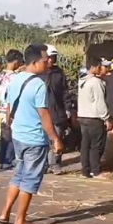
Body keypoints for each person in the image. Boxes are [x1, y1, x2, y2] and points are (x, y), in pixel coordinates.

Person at [0, 44, 63, 224]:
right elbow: (44, 114)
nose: (48, 63)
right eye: (45, 60)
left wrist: (12, 125)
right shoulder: (38, 84)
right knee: (30, 179)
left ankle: (5, 213)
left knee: (19, 174)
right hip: (34, 138)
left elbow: (9, 107)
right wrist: (55, 138)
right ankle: (20, 221)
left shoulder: (16, 79)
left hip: (18, 135)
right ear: (34, 62)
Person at [77, 58, 111, 178]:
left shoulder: (82, 80)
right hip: (94, 117)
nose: (100, 68)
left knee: (85, 145)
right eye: (99, 66)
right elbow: (99, 102)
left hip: (82, 115)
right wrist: (106, 118)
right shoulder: (96, 82)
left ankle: (85, 171)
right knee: (96, 145)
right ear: (93, 67)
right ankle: (96, 171)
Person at [41, 44, 72, 174]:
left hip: (57, 112)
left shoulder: (58, 73)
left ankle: (55, 164)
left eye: (53, 58)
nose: (51, 60)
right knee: (43, 141)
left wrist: (68, 108)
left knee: (57, 137)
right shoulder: (38, 74)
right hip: (42, 112)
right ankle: (44, 165)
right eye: (49, 57)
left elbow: (65, 92)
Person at [0, 50, 24, 170]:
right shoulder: (15, 77)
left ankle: (1, 160)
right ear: (17, 61)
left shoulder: (2, 74)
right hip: (10, 110)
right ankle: (8, 161)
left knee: (4, 138)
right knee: (11, 138)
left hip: (1, 110)